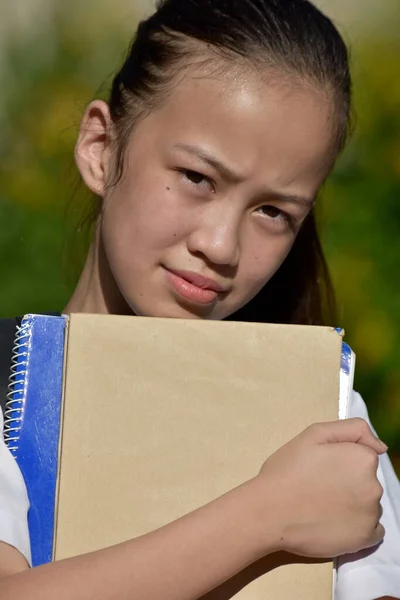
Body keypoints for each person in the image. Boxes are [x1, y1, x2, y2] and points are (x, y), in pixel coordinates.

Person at [0, 0, 399, 599]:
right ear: (101, 147)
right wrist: (268, 515)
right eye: (197, 178)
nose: (220, 246)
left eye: (272, 212)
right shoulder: (13, 387)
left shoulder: (327, 415)